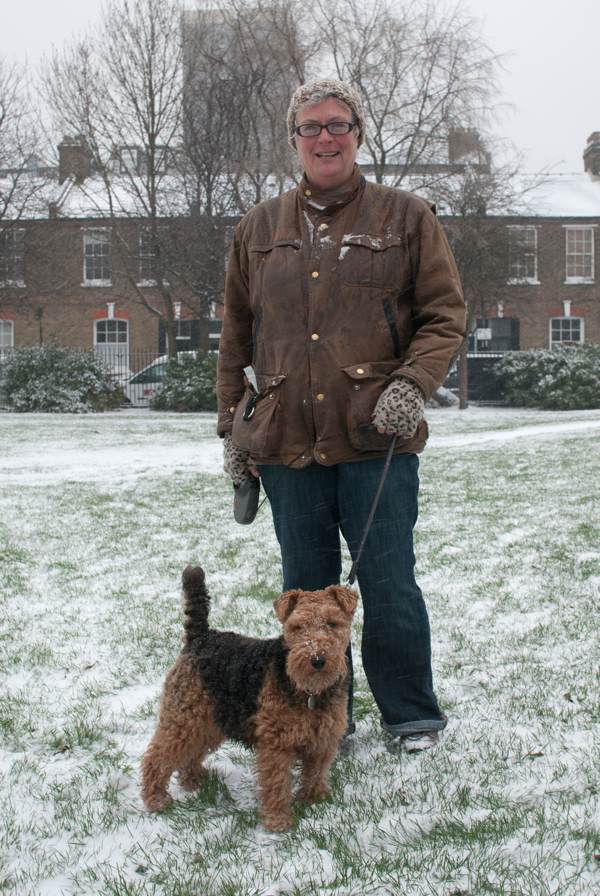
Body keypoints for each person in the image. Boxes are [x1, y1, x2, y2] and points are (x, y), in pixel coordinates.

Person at [217, 79, 465, 751]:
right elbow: (236, 336)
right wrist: (232, 429)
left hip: (376, 437)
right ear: (293, 139)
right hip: (286, 444)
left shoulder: (406, 217)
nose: (324, 137)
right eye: (311, 127)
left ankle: (410, 715)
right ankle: (325, 719)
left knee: (388, 582)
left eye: (337, 125)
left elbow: (445, 316)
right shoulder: (258, 229)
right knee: (305, 594)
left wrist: (411, 384)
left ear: (358, 134)